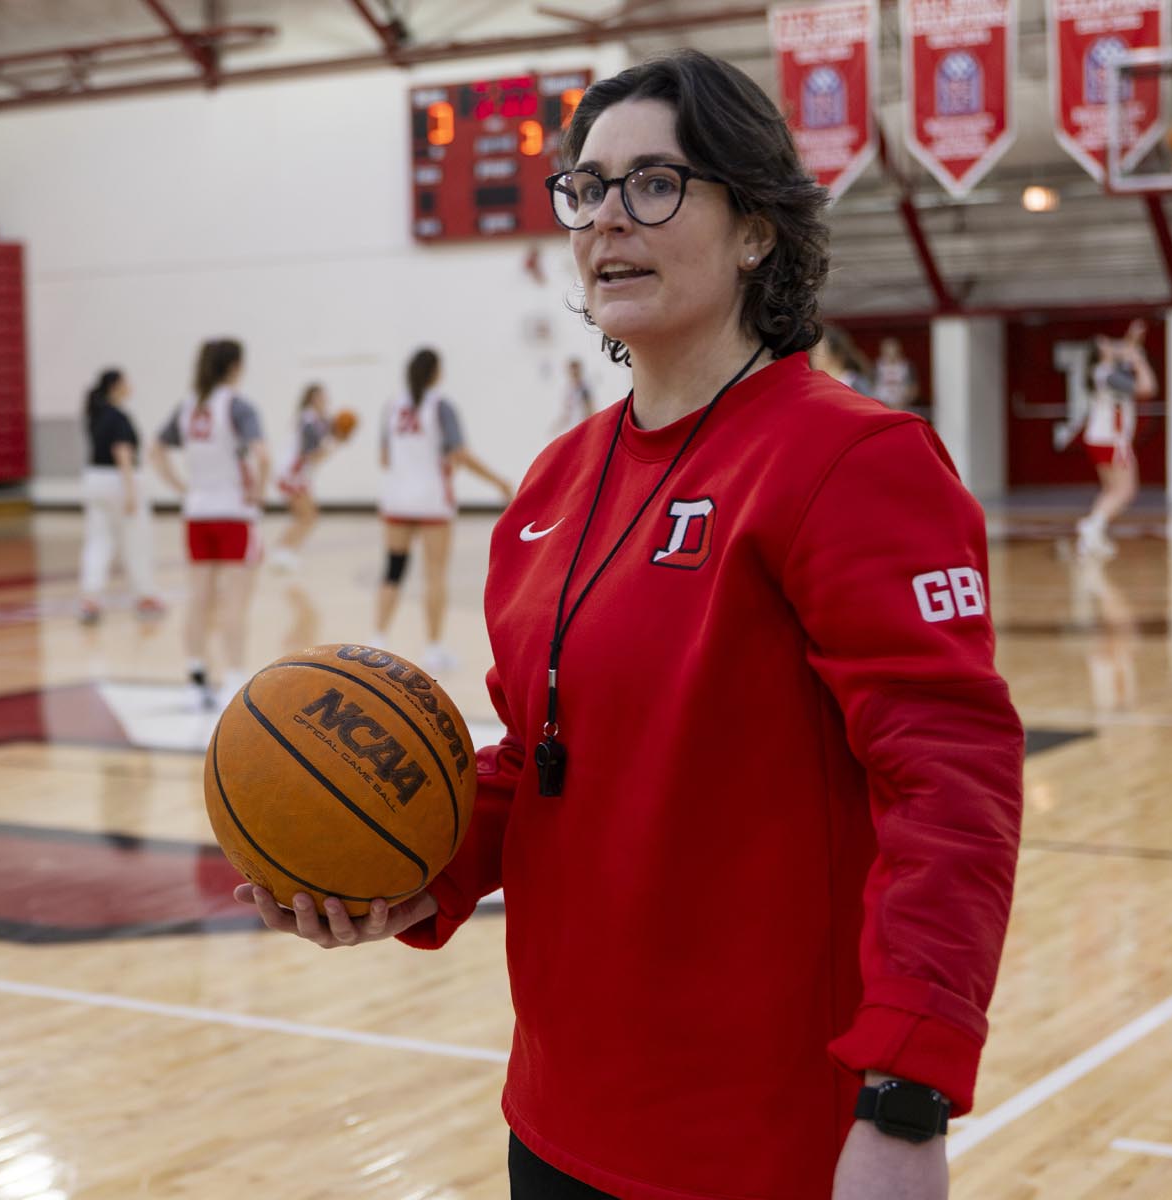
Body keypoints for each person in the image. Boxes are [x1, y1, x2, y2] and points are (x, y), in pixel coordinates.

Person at [236, 50, 1023, 1200]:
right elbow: (542, 756)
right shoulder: (553, 484)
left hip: (764, 1139)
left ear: (755, 227)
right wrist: (414, 873)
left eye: (652, 183)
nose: (608, 218)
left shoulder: (850, 460)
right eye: (585, 189)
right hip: (556, 1118)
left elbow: (951, 788)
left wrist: (906, 1097)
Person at [372, 347, 515, 676]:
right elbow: (460, 454)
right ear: (436, 372)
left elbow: (384, 458)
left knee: (393, 571)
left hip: (396, 499)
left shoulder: (392, 406)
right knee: (434, 575)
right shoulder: (441, 405)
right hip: (432, 499)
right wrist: (499, 481)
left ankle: (377, 640)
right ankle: (434, 650)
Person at [149, 339, 269, 710]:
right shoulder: (237, 405)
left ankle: (196, 675)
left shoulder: (187, 407)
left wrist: (181, 487)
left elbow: (155, 449)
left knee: (198, 599)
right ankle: (234, 677)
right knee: (236, 601)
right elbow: (263, 455)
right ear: (234, 366)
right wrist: (258, 493)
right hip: (233, 513)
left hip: (197, 512)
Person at [79, 368, 164, 622]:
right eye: (126, 381)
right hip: (119, 481)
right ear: (116, 386)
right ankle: (145, 596)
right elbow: (122, 452)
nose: (131, 386)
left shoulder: (96, 415)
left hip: (94, 480)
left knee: (99, 540)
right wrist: (130, 490)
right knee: (137, 540)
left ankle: (90, 599)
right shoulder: (118, 417)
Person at [1072, 319, 1154, 560]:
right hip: (1112, 440)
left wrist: (1133, 337)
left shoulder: (1104, 372)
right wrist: (1139, 360)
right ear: (1100, 352)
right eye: (1106, 343)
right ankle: (1092, 525)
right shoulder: (1109, 376)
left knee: (1111, 490)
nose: (1111, 343)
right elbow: (1147, 388)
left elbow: (1125, 351)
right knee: (1126, 491)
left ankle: (1092, 538)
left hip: (1098, 438)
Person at [271, 382, 341, 574]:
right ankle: (281, 552)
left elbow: (331, 428)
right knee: (306, 516)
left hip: (297, 474)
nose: (326, 401)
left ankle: (286, 553)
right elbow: (313, 456)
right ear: (312, 399)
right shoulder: (308, 422)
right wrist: (337, 444)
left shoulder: (316, 421)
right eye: (322, 397)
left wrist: (338, 435)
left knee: (308, 516)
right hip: (291, 474)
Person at [550, 356, 596, 436]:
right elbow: (567, 412)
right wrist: (558, 426)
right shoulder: (569, 389)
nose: (574, 374)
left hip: (582, 429)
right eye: (572, 372)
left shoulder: (584, 389)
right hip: (572, 429)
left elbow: (590, 409)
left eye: (576, 372)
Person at [872, 336, 918, 411]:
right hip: (882, 405)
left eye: (893, 350)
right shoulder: (876, 367)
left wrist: (905, 400)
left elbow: (914, 388)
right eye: (888, 350)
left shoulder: (907, 366)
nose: (891, 353)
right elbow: (871, 386)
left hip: (902, 404)